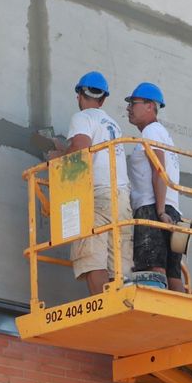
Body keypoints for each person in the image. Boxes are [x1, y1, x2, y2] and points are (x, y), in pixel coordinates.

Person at [49, 71, 131, 295]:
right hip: (122, 199)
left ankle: (104, 312)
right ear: (103, 99)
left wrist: (58, 158)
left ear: (79, 95)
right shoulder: (113, 124)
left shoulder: (83, 118)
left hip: (97, 195)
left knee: (92, 257)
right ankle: (118, 306)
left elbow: (81, 151)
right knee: (117, 264)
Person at [124, 82, 184, 291]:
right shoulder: (163, 134)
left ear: (150, 106)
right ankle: (180, 318)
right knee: (173, 271)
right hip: (174, 212)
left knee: (153, 266)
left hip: (153, 209)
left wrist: (158, 211)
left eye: (133, 103)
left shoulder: (150, 132)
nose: (129, 109)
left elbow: (159, 171)